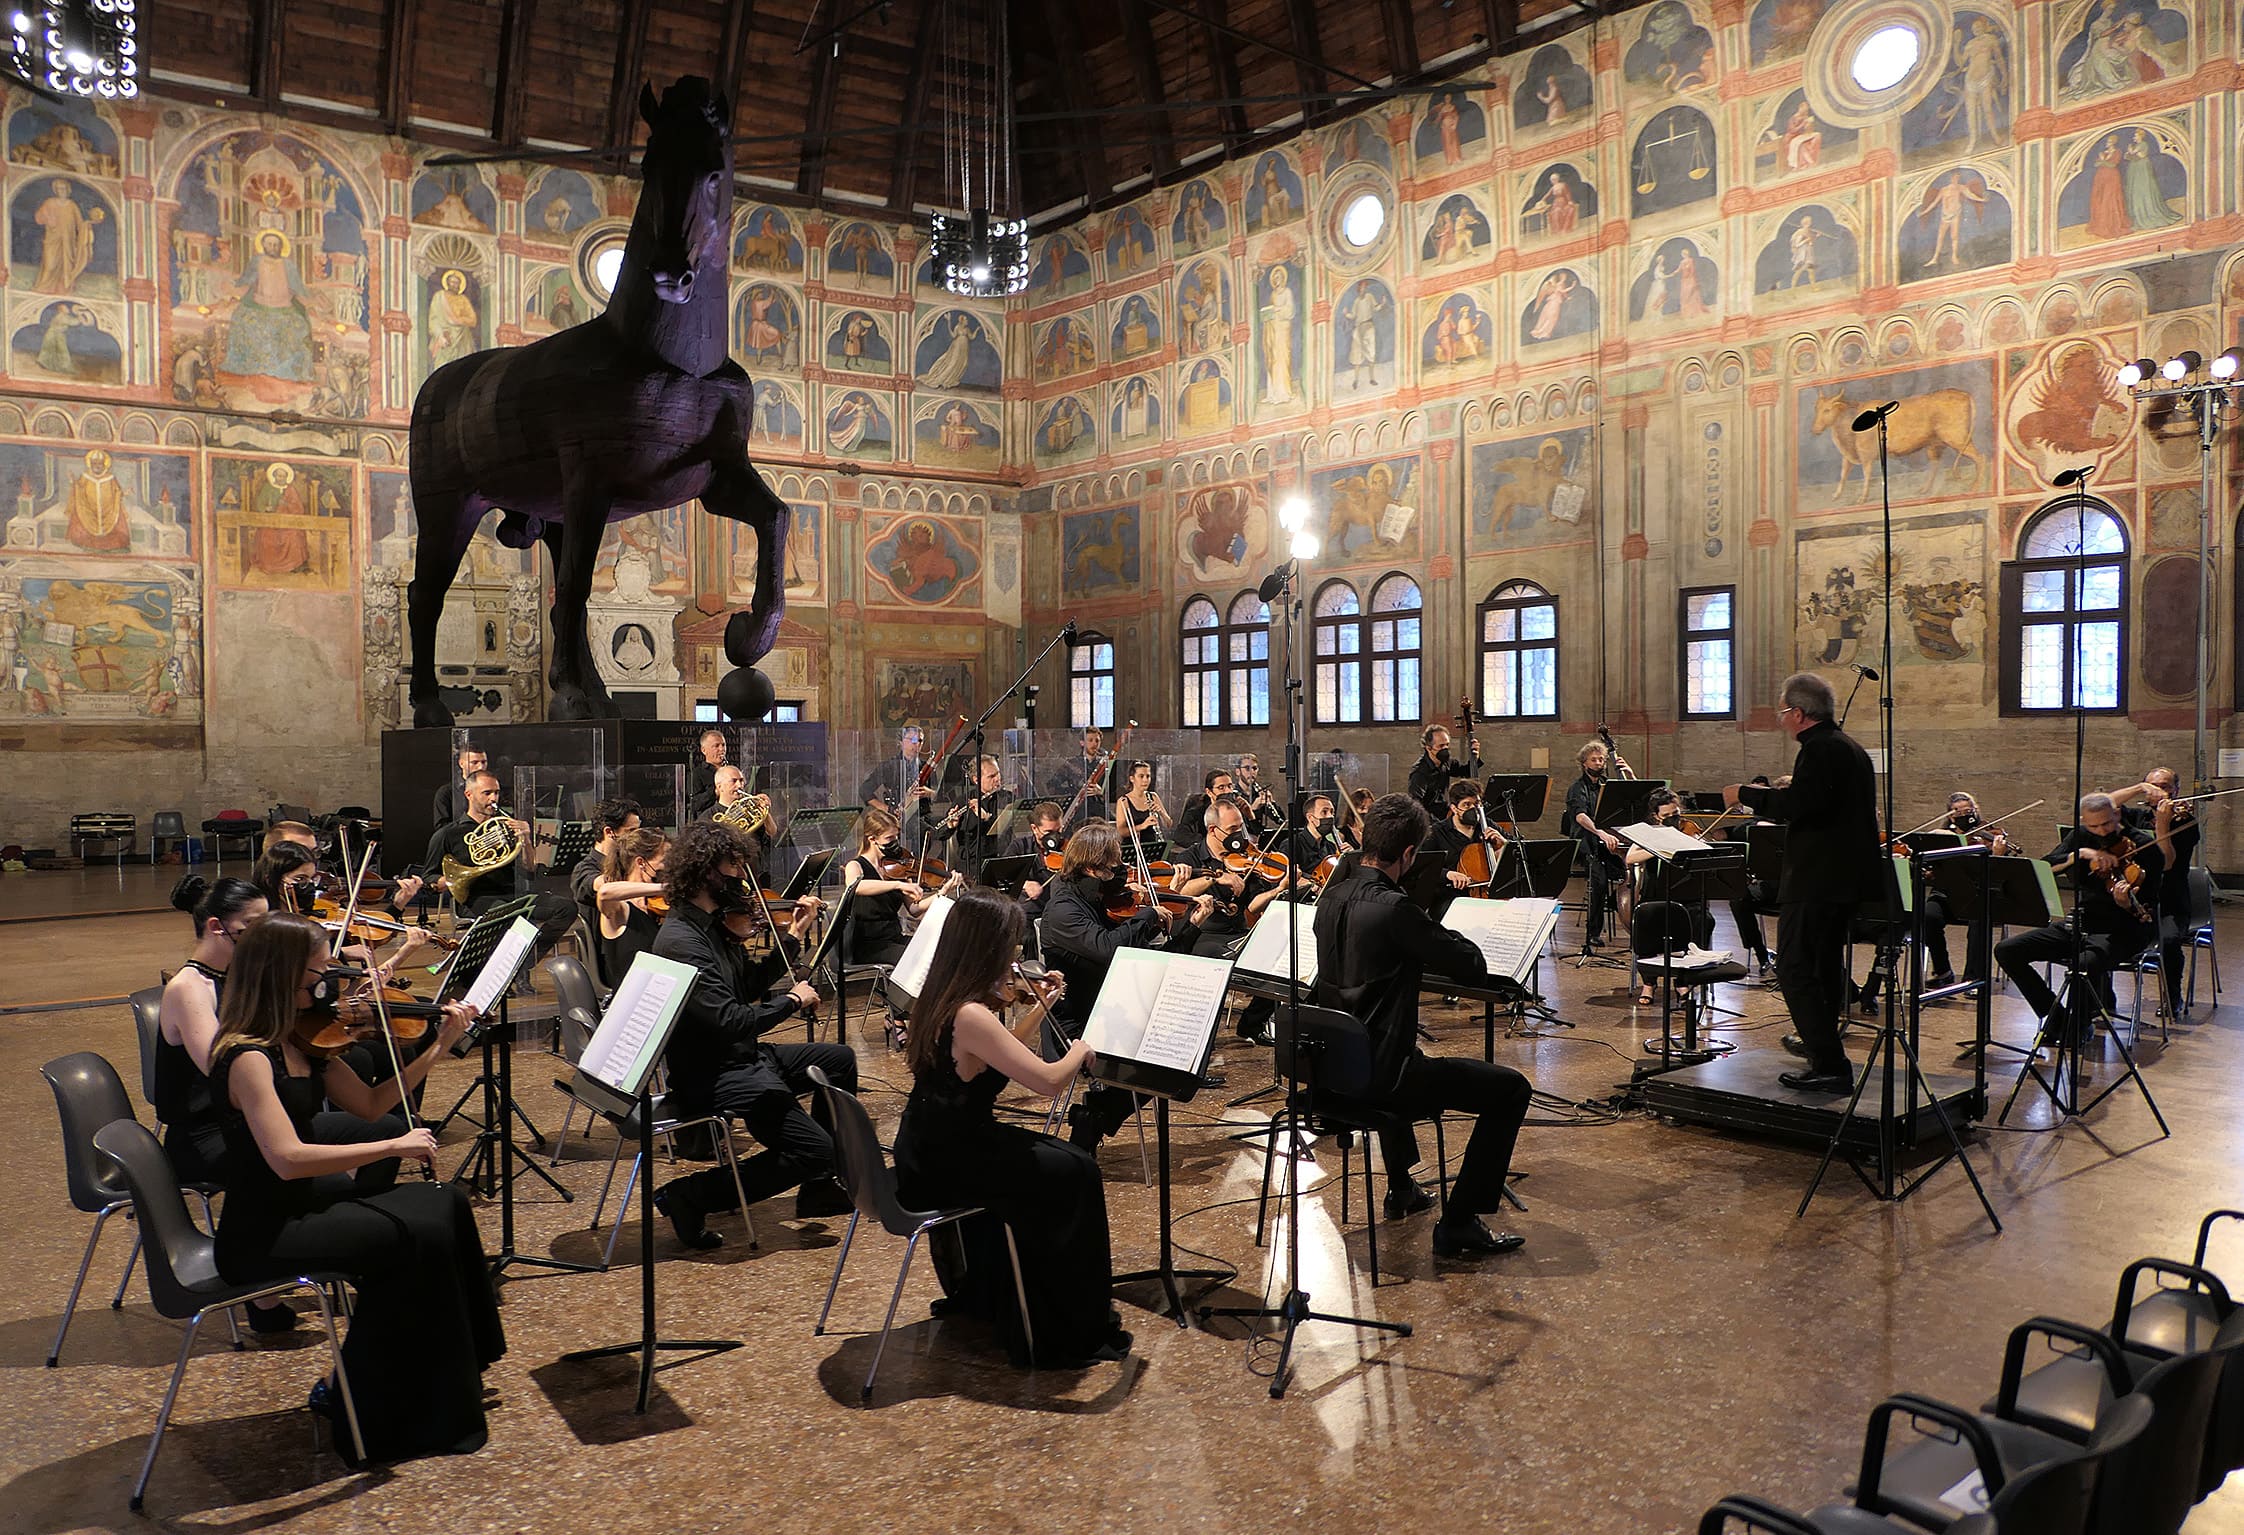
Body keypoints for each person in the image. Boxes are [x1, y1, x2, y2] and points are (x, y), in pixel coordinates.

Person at [206, 914, 503, 1463]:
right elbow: (289, 1160)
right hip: (268, 1228)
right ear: (279, 977)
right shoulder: (249, 1056)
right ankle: (372, 1402)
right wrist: (391, 1149)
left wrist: (439, 1044)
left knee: (446, 1204)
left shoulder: (301, 1041)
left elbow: (370, 1104)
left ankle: (458, 1366)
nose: (326, 986)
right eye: (316, 975)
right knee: (414, 1241)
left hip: (305, 1206)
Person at [892, 887, 1133, 1367]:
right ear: (987, 948)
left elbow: (1000, 1055)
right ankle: (1064, 1324)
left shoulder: (943, 995)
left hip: (931, 1144)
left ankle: (1004, 1291)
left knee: (1067, 1161)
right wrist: (1080, 1049)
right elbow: (1046, 1081)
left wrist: (1041, 1006)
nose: (1018, 955)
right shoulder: (971, 1013)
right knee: (1076, 1172)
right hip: (949, 1160)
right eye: (1012, 946)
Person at [1313, 794, 1533, 1258]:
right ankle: (1459, 1224)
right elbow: (1468, 964)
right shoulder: (1395, 909)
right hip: (1380, 1078)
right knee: (1510, 1089)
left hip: (1330, 1065)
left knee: (1402, 1049)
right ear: (1410, 855)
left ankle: (1403, 1189)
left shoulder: (1331, 897)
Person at [650, 823, 852, 1247]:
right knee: (815, 1148)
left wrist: (793, 937)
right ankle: (691, 1195)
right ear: (707, 873)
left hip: (741, 1055)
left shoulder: (712, 926)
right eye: (733, 870)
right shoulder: (682, 941)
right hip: (713, 1072)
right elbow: (732, 1019)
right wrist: (792, 1002)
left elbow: (747, 987)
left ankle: (817, 1185)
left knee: (839, 1061)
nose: (742, 881)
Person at [1722, 672, 1882, 1094]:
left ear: (1797, 713)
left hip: (1817, 880)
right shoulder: (1851, 749)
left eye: (1782, 712)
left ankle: (1829, 1062)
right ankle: (1821, 1050)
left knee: (1794, 967)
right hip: (1843, 879)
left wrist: (1746, 794)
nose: (1781, 719)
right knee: (1824, 966)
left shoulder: (1821, 749)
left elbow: (1800, 806)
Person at [1035, 822, 1214, 1149]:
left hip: (1113, 1010)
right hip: (1079, 1028)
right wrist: (1146, 917)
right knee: (1161, 1064)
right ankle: (1095, 1117)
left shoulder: (1103, 900)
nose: (1123, 872)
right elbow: (1108, 949)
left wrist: (1192, 927)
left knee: (1177, 1052)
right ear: (1091, 868)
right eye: (1115, 865)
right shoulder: (1063, 910)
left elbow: (1153, 962)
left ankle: (1097, 1115)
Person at [1995, 793, 2173, 1045]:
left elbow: (2148, 903)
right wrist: (2081, 853)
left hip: (2126, 929)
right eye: (2094, 826)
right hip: (2082, 922)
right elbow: (2047, 865)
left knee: (2083, 964)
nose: (2101, 831)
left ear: (2117, 815)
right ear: (2084, 821)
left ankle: (2079, 1027)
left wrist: (2125, 903)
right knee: (2007, 950)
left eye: (2107, 824)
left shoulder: (2145, 847)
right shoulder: (2081, 837)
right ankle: (2058, 1018)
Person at [1174, 797, 1289, 1047]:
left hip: (1239, 932)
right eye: (1234, 829)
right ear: (1213, 830)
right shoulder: (1189, 857)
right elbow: (1180, 891)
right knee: (1217, 964)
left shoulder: (1242, 857)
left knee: (1283, 961)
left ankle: (1252, 1023)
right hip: (1203, 935)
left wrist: (1277, 890)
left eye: (1241, 828)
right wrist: (1215, 879)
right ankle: (1196, 1042)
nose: (1240, 835)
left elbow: (1252, 905)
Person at [423, 770, 578, 943]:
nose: (493, 798)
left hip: (514, 893)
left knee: (566, 908)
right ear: (469, 795)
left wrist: (526, 839)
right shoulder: (448, 834)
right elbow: (429, 877)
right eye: (487, 793)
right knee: (513, 917)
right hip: (478, 899)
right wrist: (455, 878)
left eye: (496, 793)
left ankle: (529, 955)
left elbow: (530, 870)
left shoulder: (507, 826)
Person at [2112, 768, 2197, 1018]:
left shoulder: (2185, 823)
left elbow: (2167, 862)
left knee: (2169, 941)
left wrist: (2162, 823)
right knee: (2100, 930)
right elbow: (2106, 804)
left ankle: (2173, 997)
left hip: (2171, 903)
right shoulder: (2136, 817)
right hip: (2135, 900)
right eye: (2153, 786)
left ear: (2176, 791)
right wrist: (2138, 788)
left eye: (2165, 786)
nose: (2160, 792)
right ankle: (2103, 1000)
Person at [1619, 787, 1716, 1005]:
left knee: (1704, 920)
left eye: (1676, 815)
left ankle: (1684, 980)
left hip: (1687, 896)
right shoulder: (1649, 832)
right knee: (1645, 923)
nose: (1674, 820)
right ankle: (1649, 983)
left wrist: (1695, 844)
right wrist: (1659, 847)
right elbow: (1630, 858)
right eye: (1668, 817)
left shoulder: (1688, 830)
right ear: (1656, 816)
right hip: (1656, 897)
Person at [840, 806, 956, 969]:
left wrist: (943, 891)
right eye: (889, 838)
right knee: (917, 960)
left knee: (939, 951)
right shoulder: (855, 865)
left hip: (894, 937)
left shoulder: (899, 867)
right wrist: (897, 884)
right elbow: (856, 886)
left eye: (896, 837)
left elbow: (915, 909)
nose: (895, 843)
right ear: (872, 839)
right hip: (868, 944)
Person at [570, 797, 642, 979]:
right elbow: (602, 885)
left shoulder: (633, 863)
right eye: (631, 831)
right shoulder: (584, 869)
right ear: (609, 832)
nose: (637, 837)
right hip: (613, 958)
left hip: (635, 946)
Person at [1566, 739, 1627, 948]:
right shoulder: (1577, 788)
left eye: (1601, 759)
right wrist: (1600, 832)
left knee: (1631, 874)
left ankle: (1617, 903)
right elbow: (1580, 816)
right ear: (1584, 763)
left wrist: (1628, 772)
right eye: (1594, 759)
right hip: (1586, 840)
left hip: (1607, 840)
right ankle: (1593, 932)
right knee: (1599, 881)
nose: (1599, 762)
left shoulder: (1608, 785)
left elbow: (1631, 799)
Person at [595, 828, 671, 983]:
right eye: (665, 861)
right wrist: (666, 888)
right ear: (641, 862)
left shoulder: (656, 905)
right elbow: (604, 893)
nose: (670, 868)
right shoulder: (620, 909)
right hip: (633, 998)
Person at [1423, 780, 1508, 903]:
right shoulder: (1436, 832)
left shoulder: (1487, 825)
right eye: (1467, 805)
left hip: (1488, 894)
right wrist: (1448, 874)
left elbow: (1518, 850)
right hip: (1451, 898)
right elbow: (1423, 867)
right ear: (1454, 808)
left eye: (1477, 804)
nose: (1474, 809)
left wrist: (1504, 843)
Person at [932, 754, 1012, 875]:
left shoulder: (1007, 798)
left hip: (1001, 859)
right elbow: (940, 835)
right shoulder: (963, 801)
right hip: (972, 864)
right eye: (991, 776)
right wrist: (950, 825)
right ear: (976, 779)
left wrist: (986, 817)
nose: (997, 779)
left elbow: (1009, 828)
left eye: (998, 773)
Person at [1407, 723, 1477, 822]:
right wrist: (1436, 824)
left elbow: (1465, 772)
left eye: (1447, 745)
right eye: (1441, 746)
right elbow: (1416, 804)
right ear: (1428, 748)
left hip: (1445, 815)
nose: (1445, 749)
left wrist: (1475, 757)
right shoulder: (1419, 772)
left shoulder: (1446, 762)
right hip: (1429, 820)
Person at [1168, 766, 1236, 857]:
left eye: (1230, 786)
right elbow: (1181, 836)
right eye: (1221, 787)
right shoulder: (1196, 812)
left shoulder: (1237, 810)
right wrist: (1209, 843)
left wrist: (1250, 816)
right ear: (1209, 792)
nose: (1228, 791)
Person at [1113, 760, 1171, 865]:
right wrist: (1142, 826)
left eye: (1148, 776)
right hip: (1133, 848)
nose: (1145, 780)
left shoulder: (1153, 796)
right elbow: (1121, 832)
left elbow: (1169, 824)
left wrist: (1161, 812)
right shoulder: (1123, 801)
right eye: (1141, 776)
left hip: (1153, 847)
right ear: (1132, 779)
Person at [430, 743, 487, 829]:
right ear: (461, 764)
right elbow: (441, 827)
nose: (480, 767)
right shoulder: (446, 792)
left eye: (483, 762)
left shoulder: (495, 789)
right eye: (474, 762)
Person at [1234, 753, 1284, 835]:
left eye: (1254, 768)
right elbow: (1239, 825)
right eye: (1247, 768)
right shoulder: (1234, 794)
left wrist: (1272, 803)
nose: (1251, 772)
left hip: (1259, 837)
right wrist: (1253, 809)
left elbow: (1281, 821)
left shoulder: (1259, 792)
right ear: (1238, 771)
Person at [687, 729, 730, 820]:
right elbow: (695, 804)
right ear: (704, 750)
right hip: (709, 822)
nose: (722, 749)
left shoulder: (730, 770)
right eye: (716, 746)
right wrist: (715, 792)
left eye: (723, 745)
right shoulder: (697, 773)